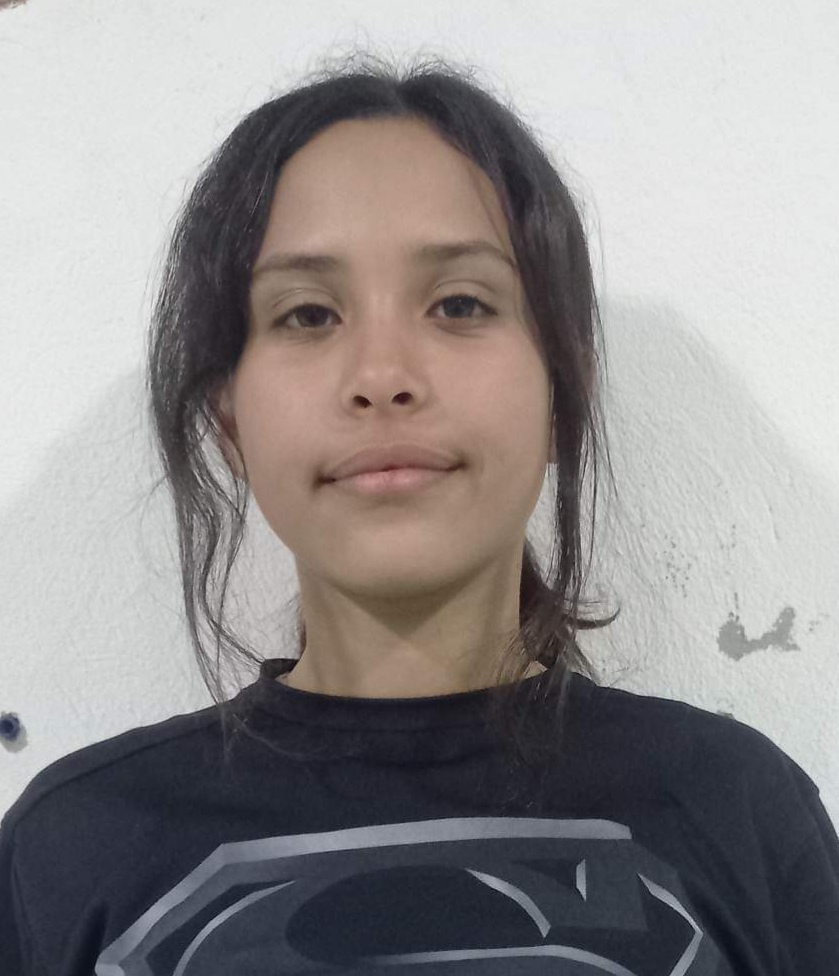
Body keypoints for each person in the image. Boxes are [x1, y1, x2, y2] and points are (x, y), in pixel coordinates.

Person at [2, 52, 838, 975]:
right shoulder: (72, 847)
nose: (382, 376)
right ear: (229, 420)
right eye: (308, 315)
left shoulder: (735, 809)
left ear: (559, 397)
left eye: (459, 303)